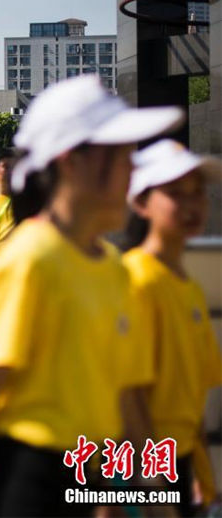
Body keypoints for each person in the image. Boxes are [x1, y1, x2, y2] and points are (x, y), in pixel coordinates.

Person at [0, 76, 184, 517]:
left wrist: (152, 494)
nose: (133, 170)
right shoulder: (28, 260)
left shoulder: (112, 266)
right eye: (121, 156)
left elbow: (126, 393)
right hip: (29, 479)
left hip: (89, 474)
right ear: (72, 162)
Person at [121, 139, 222, 517]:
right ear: (141, 203)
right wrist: (151, 486)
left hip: (176, 462)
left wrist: (202, 476)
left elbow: (193, 395)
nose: (192, 204)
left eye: (198, 193)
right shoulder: (136, 280)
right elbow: (126, 393)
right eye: (176, 193)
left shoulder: (188, 286)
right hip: (139, 469)